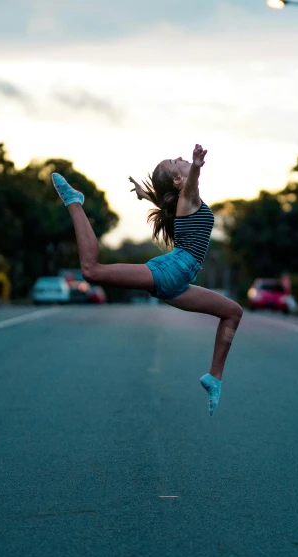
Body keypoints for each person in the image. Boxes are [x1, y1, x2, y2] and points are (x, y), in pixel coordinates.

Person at [51, 144, 242, 416]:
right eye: (177, 161)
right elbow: (190, 185)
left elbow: (172, 201)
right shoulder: (188, 195)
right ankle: (74, 202)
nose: (182, 158)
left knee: (233, 312)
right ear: (179, 180)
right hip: (171, 271)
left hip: (179, 283)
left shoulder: (182, 203)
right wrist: (197, 166)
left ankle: (214, 377)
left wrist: (147, 195)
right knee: (91, 271)